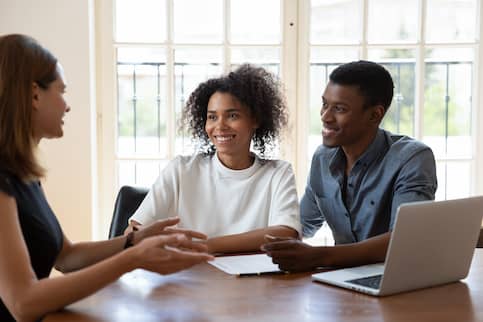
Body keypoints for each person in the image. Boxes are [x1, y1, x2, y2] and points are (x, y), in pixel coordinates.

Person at [0, 34, 213, 322]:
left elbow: (67, 257)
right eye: (62, 92)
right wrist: (132, 260)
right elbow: (22, 303)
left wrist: (134, 241)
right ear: (34, 95)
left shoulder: (21, 175)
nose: (67, 106)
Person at [262, 60, 437, 271]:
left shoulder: (412, 158)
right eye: (325, 104)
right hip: (341, 281)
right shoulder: (323, 158)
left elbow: (404, 240)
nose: (325, 117)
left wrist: (319, 256)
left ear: (375, 115)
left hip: (394, 279)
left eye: (339, 109)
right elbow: (301, 223)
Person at [126, 64, 301, 254]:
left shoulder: (278, 173)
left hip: (254, 281)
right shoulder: (181, 170)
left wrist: (202, 246)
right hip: (188, 277)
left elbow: (286, 233)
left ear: (256, 120)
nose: (220, 126)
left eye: (232, 115)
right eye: (212, 117)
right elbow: (134, 231)